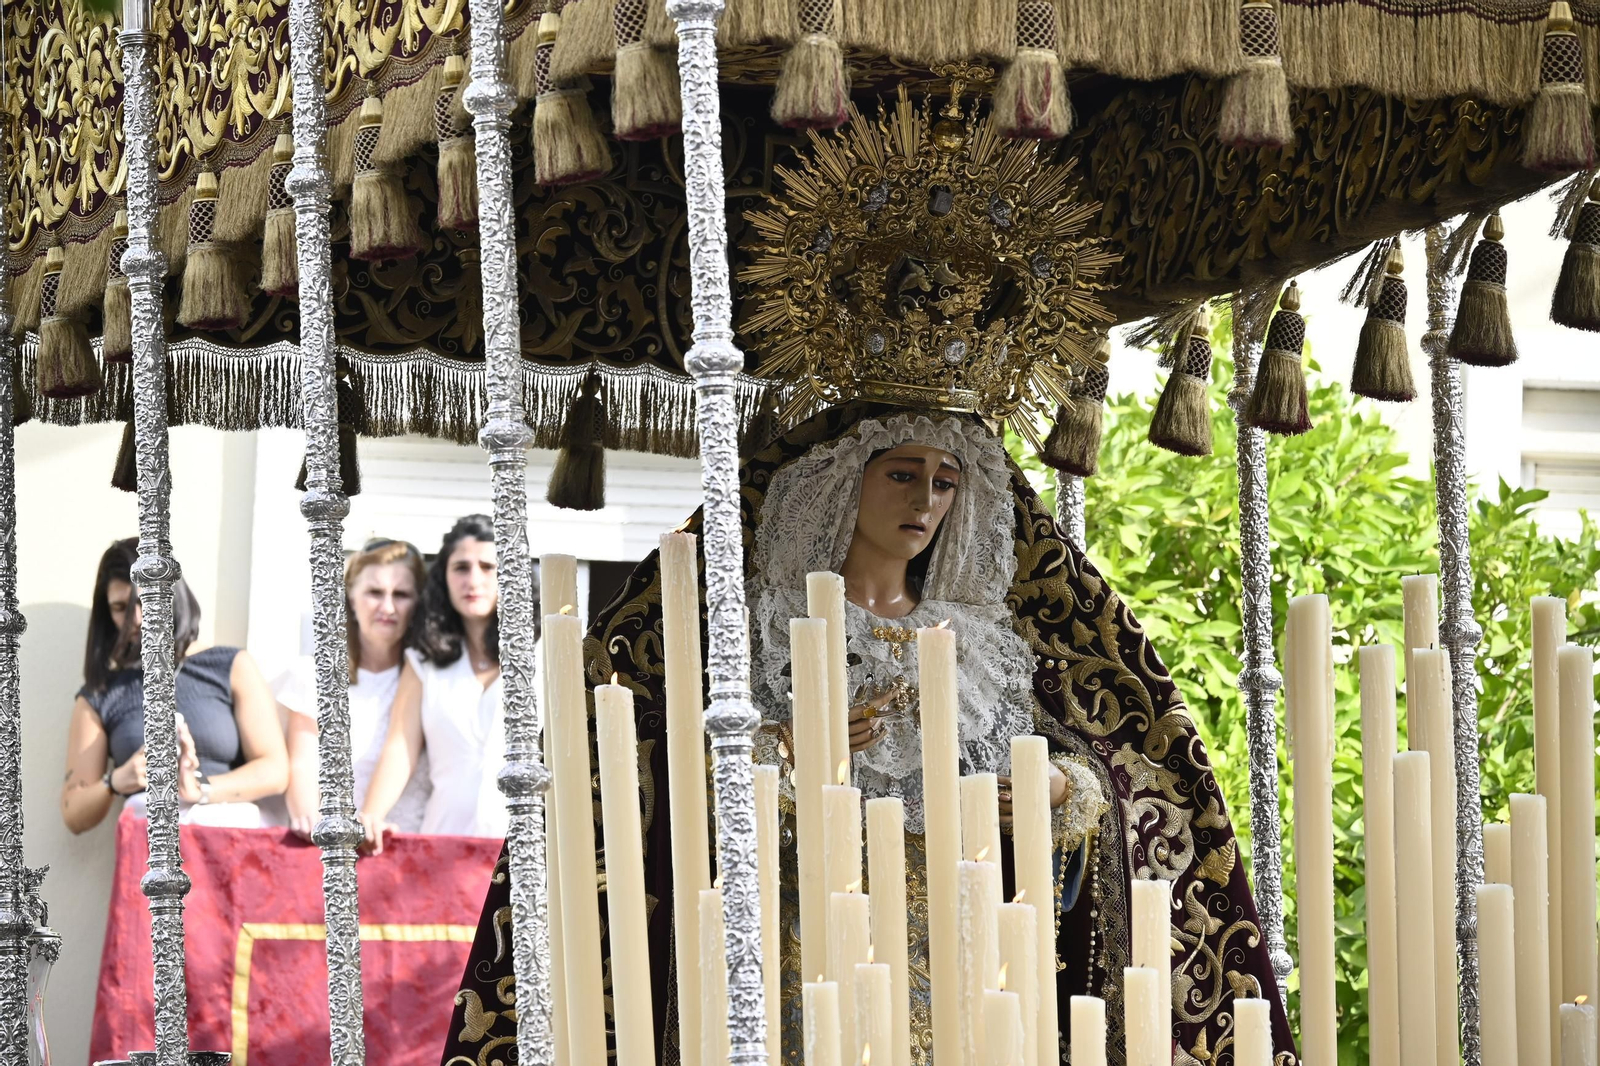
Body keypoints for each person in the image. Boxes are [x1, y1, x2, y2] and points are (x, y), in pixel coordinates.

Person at [441, 406, 1294, 1064]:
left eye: (945, 480)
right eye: (902, 474)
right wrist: (785, 753)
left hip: (969, 930)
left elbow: (1086, 764)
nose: (924, 500)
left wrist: (1060, 788)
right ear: (847, 479)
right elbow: (670, 771)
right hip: (810, 918)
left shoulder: (984, 641)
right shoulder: (767, 623)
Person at [61, 538, 289, 832]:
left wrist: (201, 788)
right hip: (148, 854)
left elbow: (275, 770)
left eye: (147, 601)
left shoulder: (231, 666)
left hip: (232, 847)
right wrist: (117, 780)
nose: (137, 619)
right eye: (120, 608)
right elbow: (74, 813)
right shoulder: (101, 693)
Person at [358, 515, 511, 848]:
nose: (474, 579)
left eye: (488, 567)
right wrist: (369, 816)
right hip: (446, 842)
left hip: (526, 850)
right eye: (461, 567)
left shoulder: (540, 659)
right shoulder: (423, 662)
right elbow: (401, 745)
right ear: (443, 576)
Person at [279, 539, 432, 839]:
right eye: (375, 592)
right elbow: (301, 765)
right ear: (350, 595)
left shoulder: (429, 679)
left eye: (401, 595)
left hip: (405, 847)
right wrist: (323, 837)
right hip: (326, 850)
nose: (387, 607)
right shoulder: (313, 675)